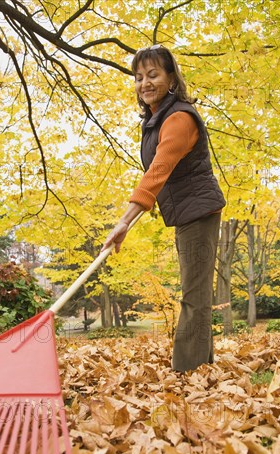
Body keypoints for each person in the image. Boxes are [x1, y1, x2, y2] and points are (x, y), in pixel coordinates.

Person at [102, 45, 226, 372]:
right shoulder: (158, 119)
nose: (144, 83)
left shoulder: (180, 118)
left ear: (171, 77)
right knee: (195, 293)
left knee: (194, 296)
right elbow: (157, 175)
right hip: (187, 213)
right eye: (139, 77)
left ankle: (188, 372)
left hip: (199, 213)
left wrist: (123, 222)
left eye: (153, 74)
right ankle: (202, 368)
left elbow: (158, 171)